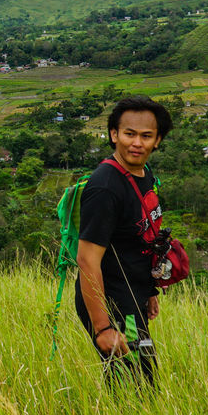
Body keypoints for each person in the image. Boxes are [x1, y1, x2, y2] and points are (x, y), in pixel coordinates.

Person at [74, 95, 173, 386]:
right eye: (129, 134)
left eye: (146, 136)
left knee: (139, 379)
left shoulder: (144, 173)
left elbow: (140, 241)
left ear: (157, 140)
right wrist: (102, 327)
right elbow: (86, 259)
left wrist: (149, 290)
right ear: (114, 134)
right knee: (135, 386)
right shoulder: (105, 187)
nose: (137, 143)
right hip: (113, 302)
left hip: (133, 295)